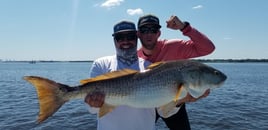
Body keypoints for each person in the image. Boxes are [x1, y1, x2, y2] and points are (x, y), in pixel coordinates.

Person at [137, 14, 215, 130]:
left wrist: (184, 27)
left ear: (159, 33)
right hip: (148, 103)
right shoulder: (135, 59)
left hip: (175, 103)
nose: (149, 34)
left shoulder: (174, 47)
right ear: (138, 34)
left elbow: (208, 48)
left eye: (153, 30)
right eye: (144, 30)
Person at [84, 20, 156, 130]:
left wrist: (179, 101)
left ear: (137, 38)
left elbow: (165, 112)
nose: (125, 41)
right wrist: (93, 104)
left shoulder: (151, 68)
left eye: (130, 36)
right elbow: (91, 110)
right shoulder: (101, 64)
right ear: (114, 40)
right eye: (120, 37)